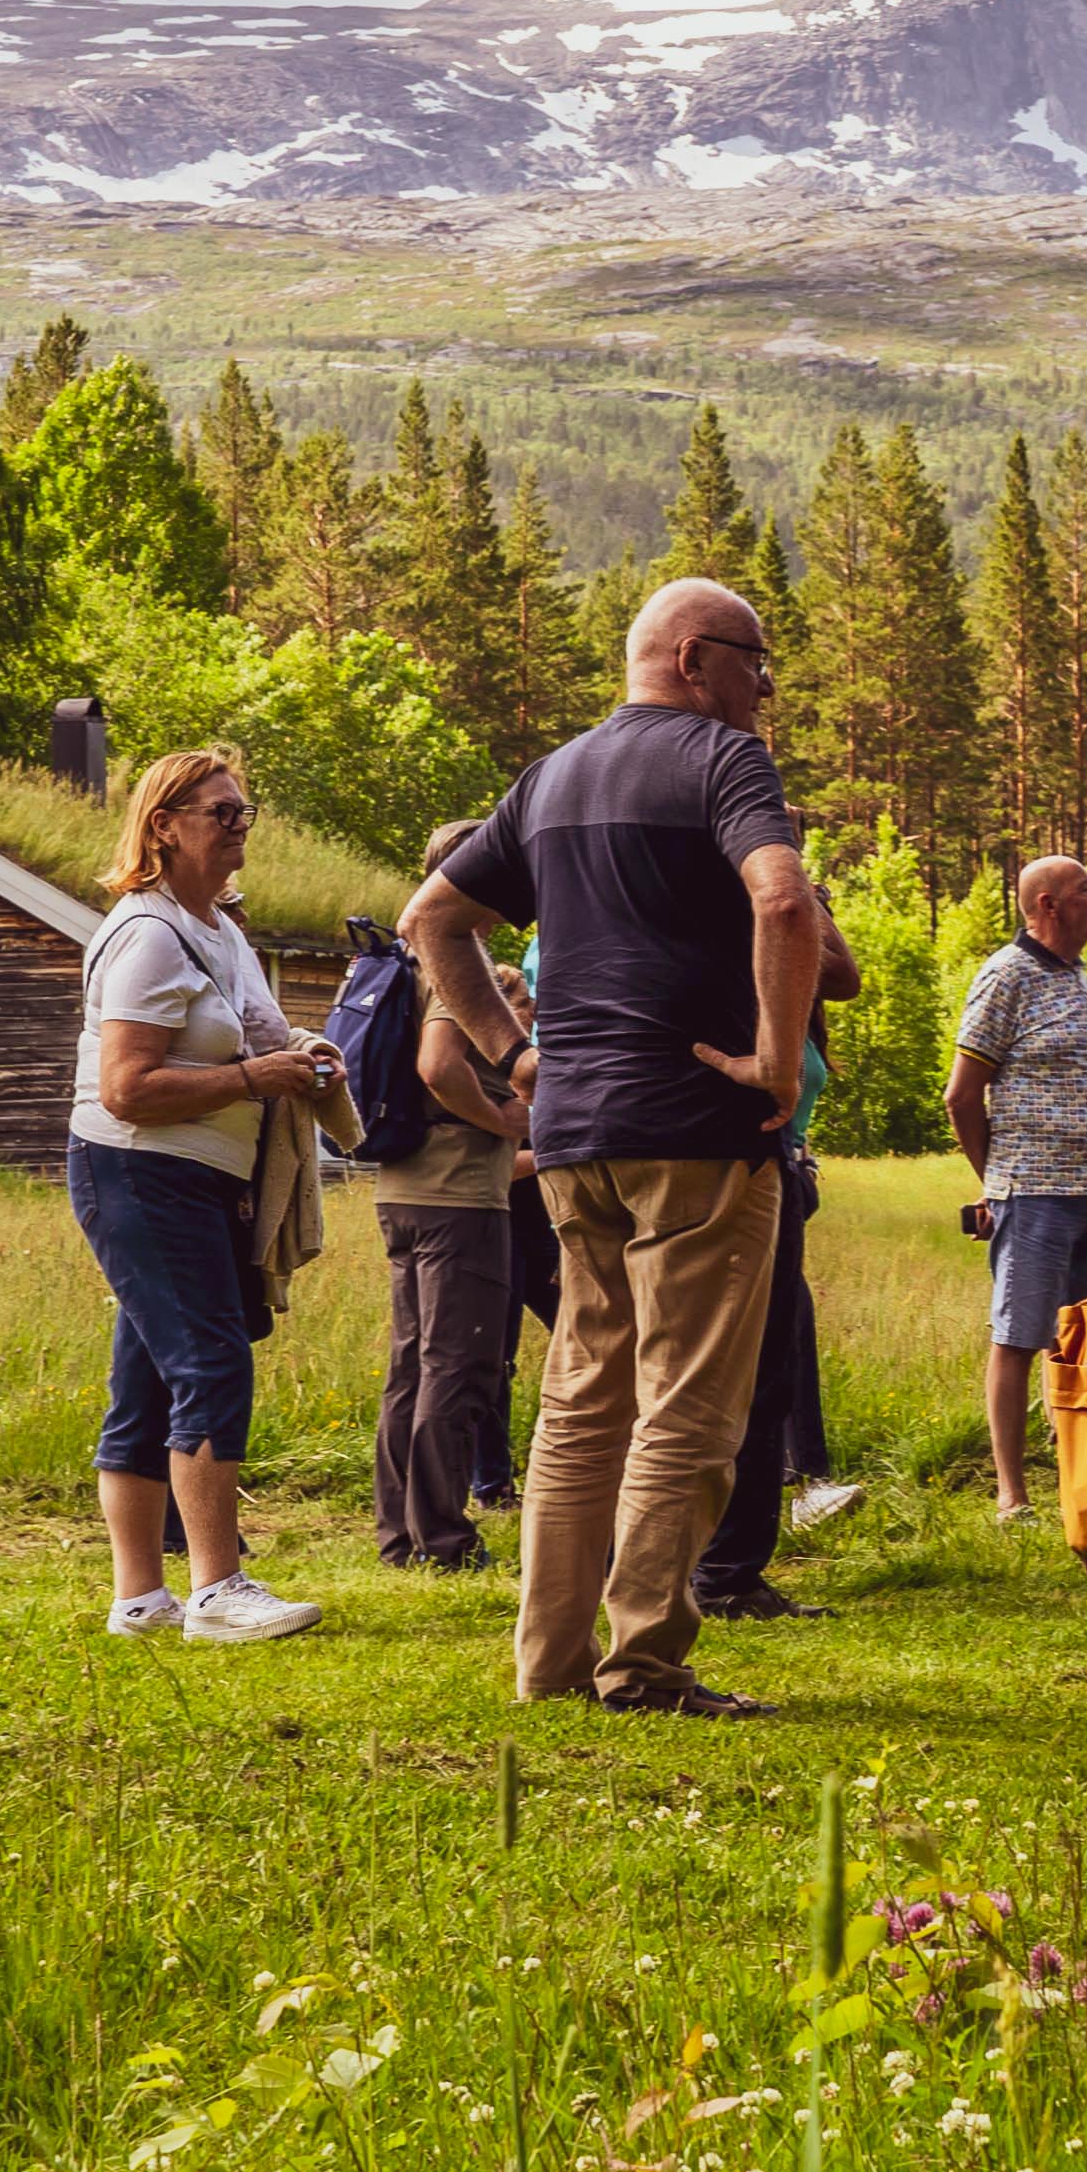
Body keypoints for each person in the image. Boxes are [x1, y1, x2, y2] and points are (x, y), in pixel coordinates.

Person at [405, 578, 815, 1723]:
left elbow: (431, 917)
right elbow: (783, 903)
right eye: (758, 660)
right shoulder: (724, 762)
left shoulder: (553, 775)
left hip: (575, 1137)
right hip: (696, 1131)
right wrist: (777, 1064)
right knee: (687, 1402)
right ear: (694, 657)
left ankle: (549, 1664)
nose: (767, 687)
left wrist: (514, 1054)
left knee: (584, 1398)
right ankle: (643, 1664)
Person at [67, 743, 329, 1645]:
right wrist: (260, 1077)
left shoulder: (219, 929)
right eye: (220, 813)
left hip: (196, 1174)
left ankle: (140, 1598)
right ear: (163, 827)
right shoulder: (145, 934)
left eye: (244, 812)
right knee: (210, 1362)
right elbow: (126, 1087)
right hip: (140, 1168)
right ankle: (217, 1588)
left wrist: (304, 1054)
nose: (239, 828)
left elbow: (251, 1035)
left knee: (145, 1382)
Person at [693, 898, 867, 1624]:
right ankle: (722, 1573)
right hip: (737, 1169)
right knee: (750, 1372)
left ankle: (726, 1567)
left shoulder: (767, 924)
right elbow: (827, 960)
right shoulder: (742, 923)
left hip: (774, 1166)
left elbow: (843, 975)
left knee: (770, 1365)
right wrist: (784, 878)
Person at [367, 819, 531, 1573]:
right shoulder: (450, 951)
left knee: (412, 1366)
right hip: (459, 1193)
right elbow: (439, 1064)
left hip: (403, 1187)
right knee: (458, 1366)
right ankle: (441, 1537)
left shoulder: (397, 956)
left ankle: (399, 1532)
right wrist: (502, 1117)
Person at [949, 855, 1087, 1522]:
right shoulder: (1006, 975)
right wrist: (996, 1182)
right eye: (1085, 892)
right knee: (1020, 1334)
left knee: (1084, 1340)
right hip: (1035, 1190)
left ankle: (1084, 1474)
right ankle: (1011, 1494)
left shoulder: (1076, 978)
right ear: (1046, 904)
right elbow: (962, 1096)